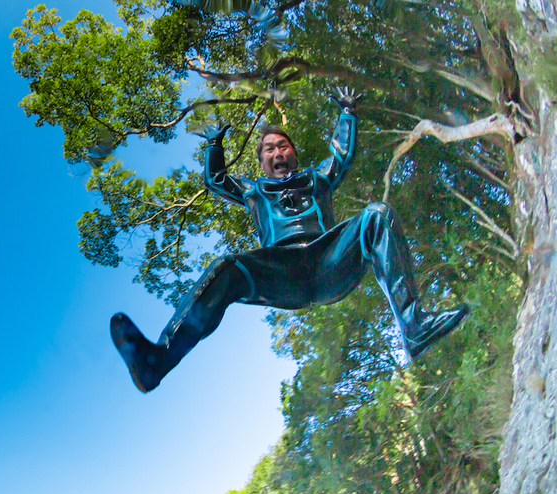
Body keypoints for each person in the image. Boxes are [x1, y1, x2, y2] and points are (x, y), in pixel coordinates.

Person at [111, 87, 469, 393]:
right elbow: (217, 179)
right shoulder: (254, 191)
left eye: (283, 146)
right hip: (282, 272)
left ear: (293, 153)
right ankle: (157, 361)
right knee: (226, 269)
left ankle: (414, 324)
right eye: (269, 149)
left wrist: (347, 112)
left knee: (376, 214)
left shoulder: (317, 178)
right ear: (262, 161)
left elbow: (341, 156)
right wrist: (215, 143)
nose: (277, 152)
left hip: (329, 261)